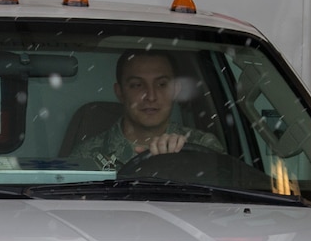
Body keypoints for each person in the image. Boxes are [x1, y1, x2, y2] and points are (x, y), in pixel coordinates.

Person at [67, 49, 223, 170]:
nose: (151, 96)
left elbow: (224, 203)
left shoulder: (203, 147)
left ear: (175, 90)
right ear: (120, 92)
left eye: (161, 84)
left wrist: (182, 164)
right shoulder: (87, 155)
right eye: (137, 85)